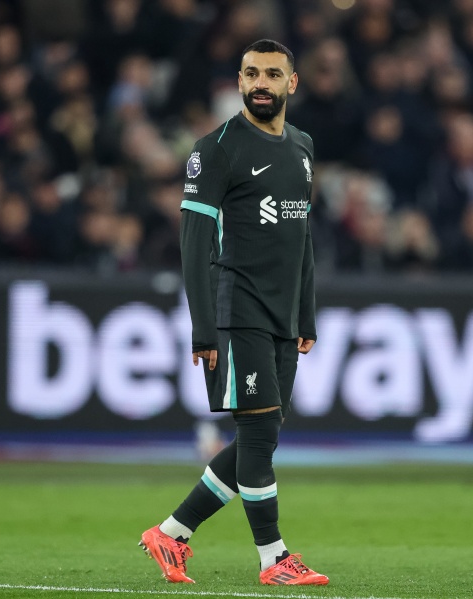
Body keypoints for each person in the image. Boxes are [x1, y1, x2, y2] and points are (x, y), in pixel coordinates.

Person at [138, 39, 327, 587]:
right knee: (261, 435)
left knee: (257, 439)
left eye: (272, 74)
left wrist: (306, 313)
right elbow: (194, 244)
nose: (260, 83)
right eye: (251, 73)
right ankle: (274, 558)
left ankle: (170, 534)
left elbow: (302, 237)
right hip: (237, 309)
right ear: (240, 81)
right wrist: (203, 328)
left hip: (282, 316)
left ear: (292, 83)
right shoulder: (216, 149)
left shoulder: (303, 146)